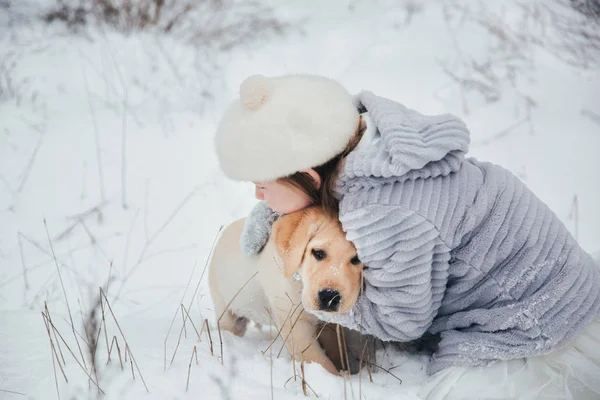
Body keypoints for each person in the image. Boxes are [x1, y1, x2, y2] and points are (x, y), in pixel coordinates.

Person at [214, 74, 600, 399]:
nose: (257, 196)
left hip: (538, 323)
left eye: (261, 185)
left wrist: (313, 285)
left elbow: (401, 322)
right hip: (566, 280)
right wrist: (272, 217)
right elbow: (309, 194)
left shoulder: (383, 213)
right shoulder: (370, 151)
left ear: (309, 176)